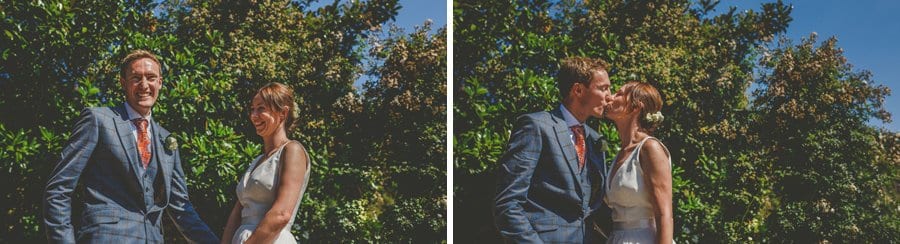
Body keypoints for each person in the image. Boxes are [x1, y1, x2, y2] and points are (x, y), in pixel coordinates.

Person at [43, 50, 219, 243]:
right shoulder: (98, 119)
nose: (144, 85)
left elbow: (182, 210)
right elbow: (59, 188)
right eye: (136, 78)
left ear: (160, 82)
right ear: (123, 83)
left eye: (151, 77)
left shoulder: (166, 139)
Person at [494, 57, 614, 243]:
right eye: (603, 88)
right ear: (578, 90)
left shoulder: (596, 140)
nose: (610, 96)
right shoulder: (536, 126)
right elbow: (508, 203)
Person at [221, 82, 311, 244]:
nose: (254, 115)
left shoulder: (292, 150)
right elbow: (236, 214)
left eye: (261, 108)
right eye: (252, 109)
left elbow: (282, 214)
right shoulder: (256, 161)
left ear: (283, 113)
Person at [603, 81, 673, 244]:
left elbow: (665, 215)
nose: (609, 97)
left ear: (636, 107)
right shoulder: (619, 154)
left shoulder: (650, 148)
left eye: (619, 94)